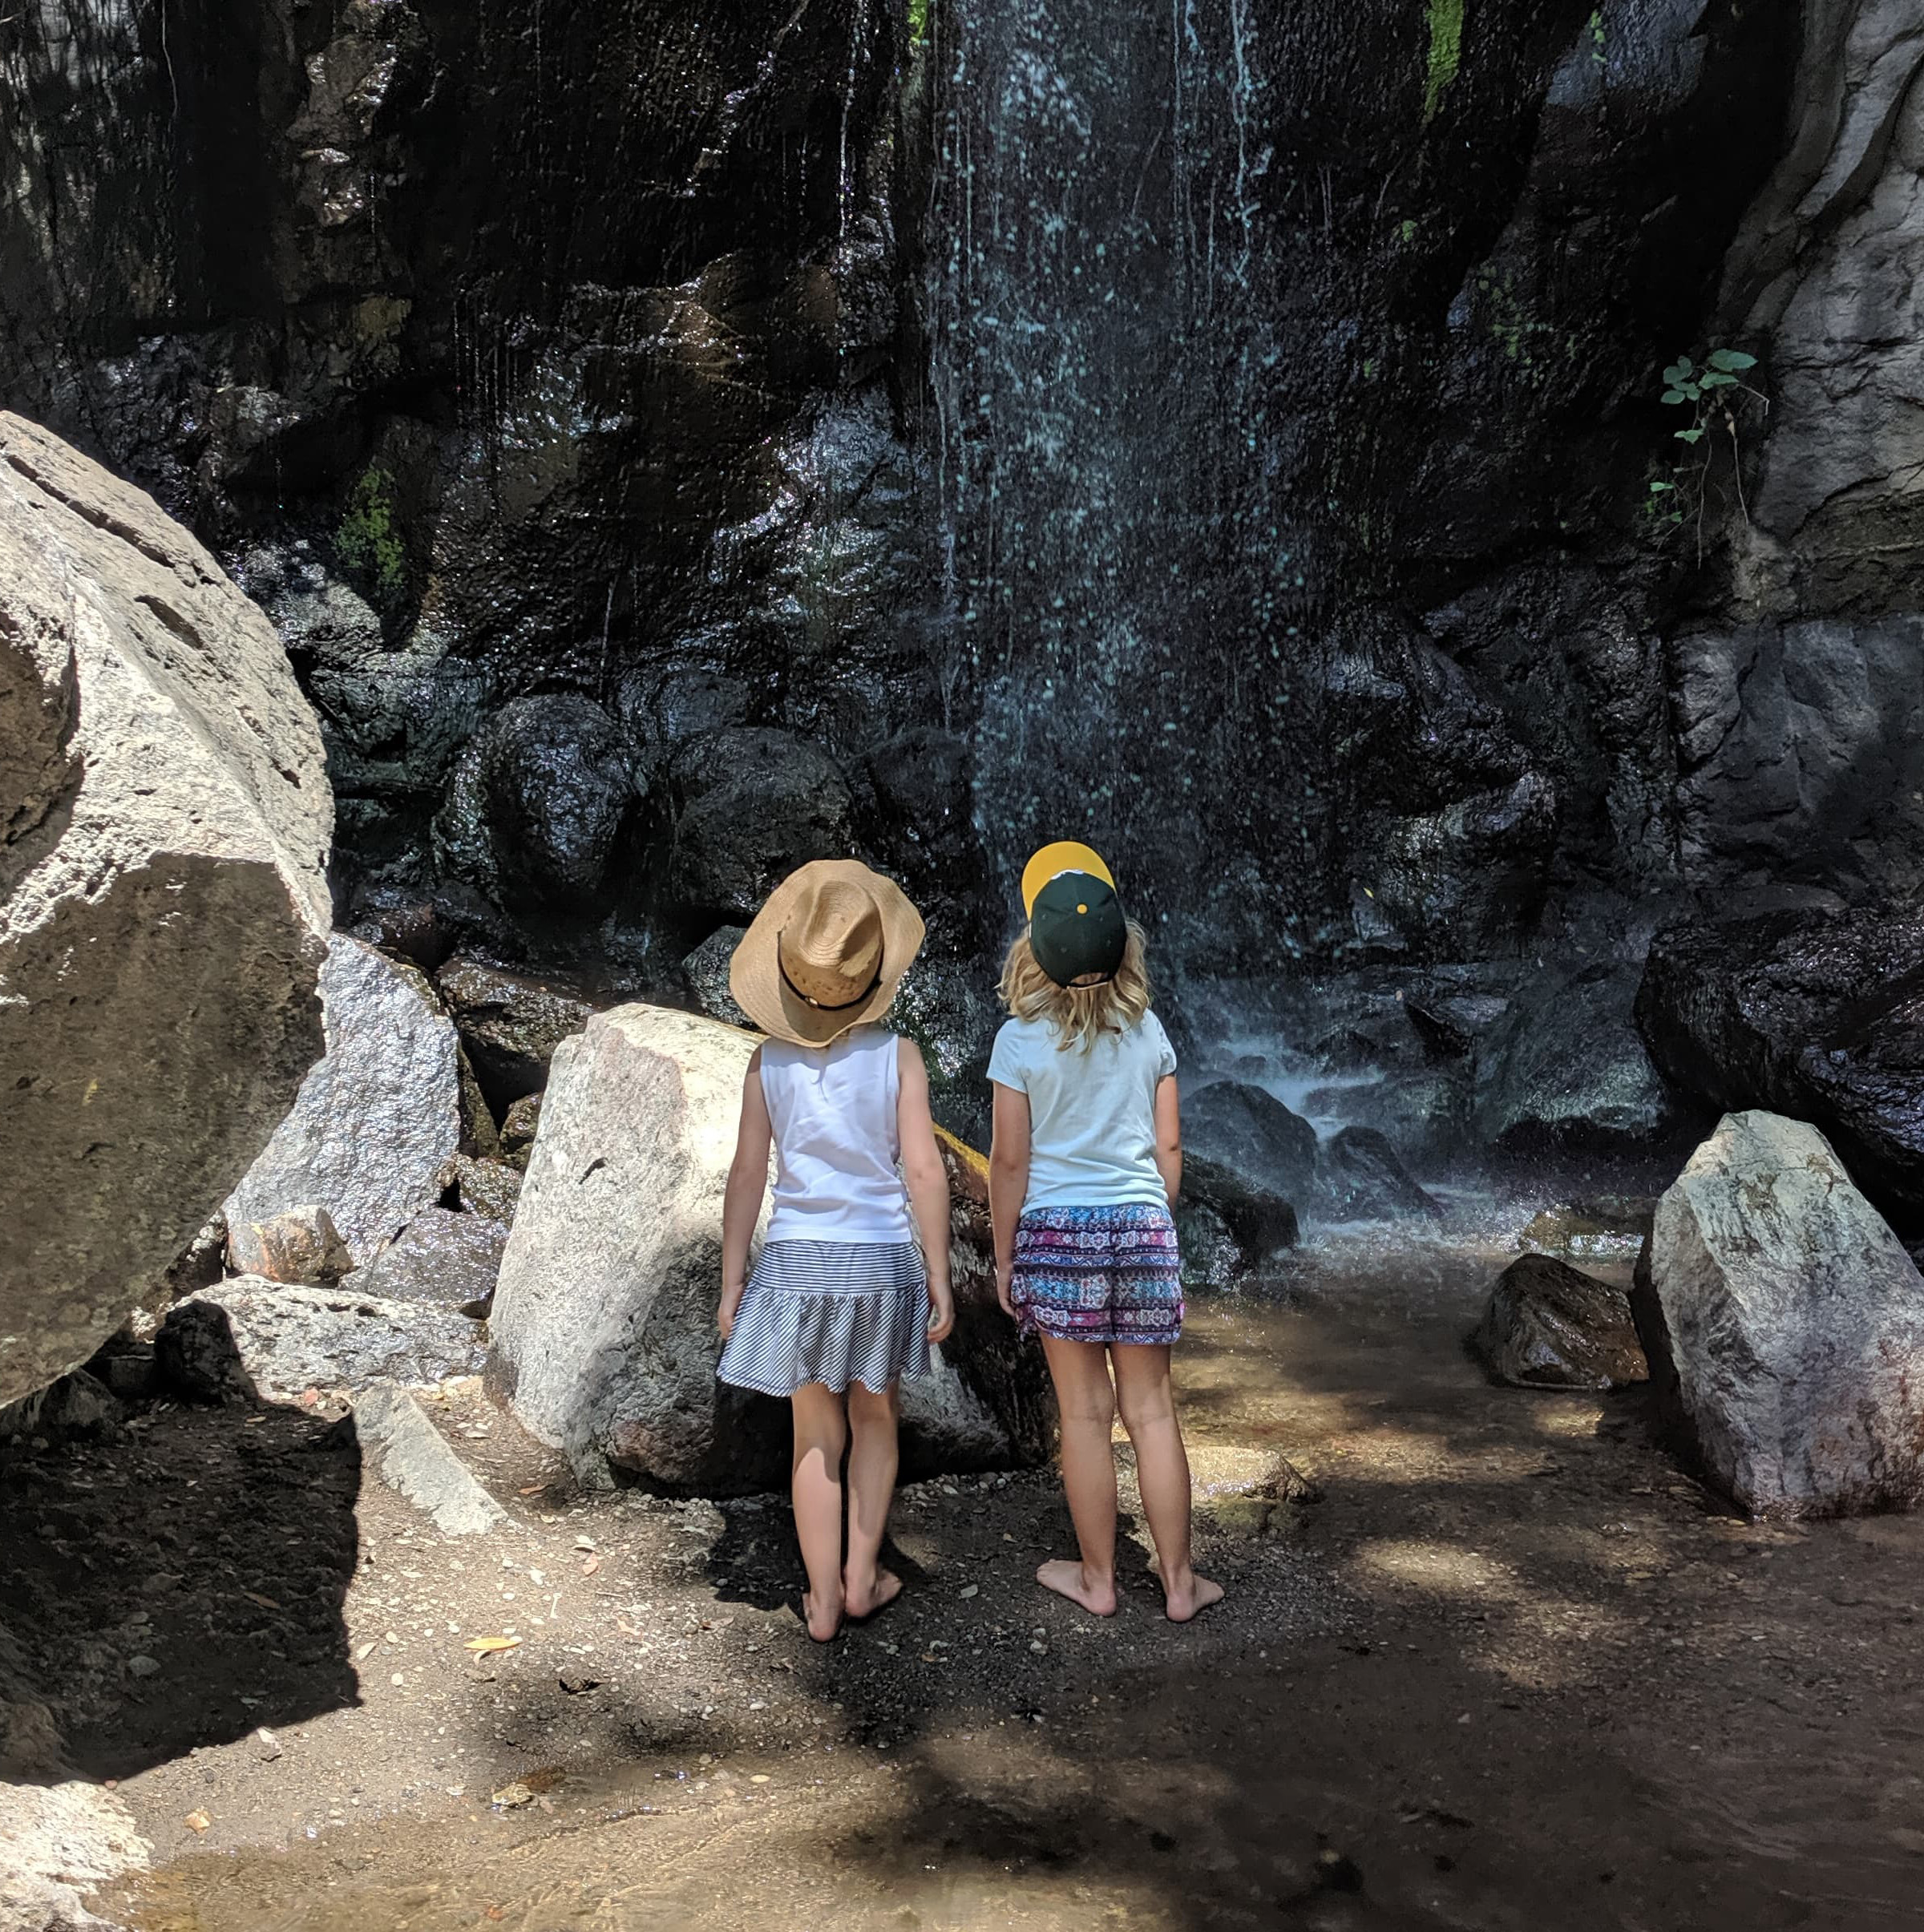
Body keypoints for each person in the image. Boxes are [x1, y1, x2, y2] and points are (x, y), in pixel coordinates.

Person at [717, 859, 955, 1642]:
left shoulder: (767, 1062)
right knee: (875, 1416)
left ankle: (820, 1601)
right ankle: (861, 1577)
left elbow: (747, 1174)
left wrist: (732, 1281)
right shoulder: (899, 1056)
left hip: (795, 1264)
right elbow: (924, 1170)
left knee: (814, 1433)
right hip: (880, 1259)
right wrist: (939, 1272)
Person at [988, 843, 1221, 1623]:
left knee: (1084, 1414)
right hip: (1142, 1228)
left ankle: (1098, 1579)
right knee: (1151, 1409)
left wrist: (1005, 1255)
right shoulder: (1148, 1031)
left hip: (1057, 1235)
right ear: (1124, 947)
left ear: (1034, 950)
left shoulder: (1018, 1041)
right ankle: (1180, 1583)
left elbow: (1010, 1162)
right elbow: (1169, 1149)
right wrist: (1154, 1220)